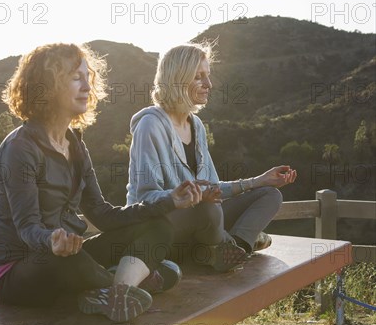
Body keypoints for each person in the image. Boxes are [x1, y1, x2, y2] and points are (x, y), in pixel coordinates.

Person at [0, 43, 202, 322]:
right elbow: (27, 227)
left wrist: (169, 201)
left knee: (158, 226)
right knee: (68, 261)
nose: (87, 86)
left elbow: (103, 214)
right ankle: (121, 284)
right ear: (47, 85)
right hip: (19, 269)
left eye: (88, 78)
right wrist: (52, 241)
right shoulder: (19, 148)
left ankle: (113, 291)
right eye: (76, 78)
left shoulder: (74, 144)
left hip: (70, 252)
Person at [126, 42, 297, 272]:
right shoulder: (150, 125)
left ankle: (233, 249)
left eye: (208, 75)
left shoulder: (196, 126)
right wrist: (190, 195)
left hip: (203, 222)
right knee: (208, 208)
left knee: (270, 195)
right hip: (161, 228)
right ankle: (224, 245)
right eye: (199, 77)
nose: (209, 84)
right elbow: (144, 198)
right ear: (178, 79)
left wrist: (259, 181)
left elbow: (213, 189)